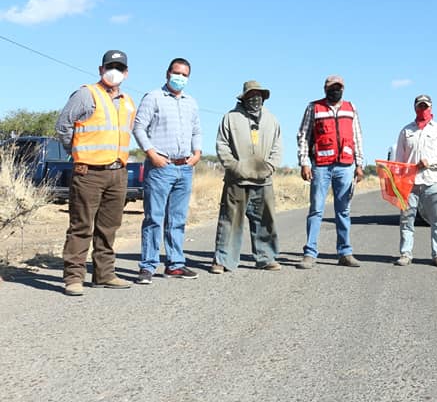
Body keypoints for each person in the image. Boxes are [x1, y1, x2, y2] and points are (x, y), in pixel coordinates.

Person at [55, 50, 136, 296]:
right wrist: (78, 152)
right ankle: (74, 278)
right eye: (110, 66)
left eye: (119, 68)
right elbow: (63, 126)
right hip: (88, 172)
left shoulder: (128, 101)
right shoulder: (86, 94)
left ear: (126, 73)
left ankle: (104, 274)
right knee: (81, 227)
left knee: (109, 227)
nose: (114, 71)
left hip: (117, 172)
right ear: (100, 69)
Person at [132, 57, 202, 284]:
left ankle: (175, 264)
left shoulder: (191, 102)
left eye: (184, 74)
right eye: (176, 73)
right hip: (161, 167)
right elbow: (138, 127)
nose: (180, 77)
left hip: (185, 168)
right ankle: (148, 266)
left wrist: (197, 153)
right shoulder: (153, 97)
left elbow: (196, 130)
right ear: (167, 73)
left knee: (178, 219)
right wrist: (151, 153)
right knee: (154, 218)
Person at [210, 81, 283, 273]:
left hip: (263, 179)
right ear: (244, 98)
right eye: (252, 95)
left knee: (265, 220)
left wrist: (270, 167)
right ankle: (223, 260)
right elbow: (222, 145)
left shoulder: (272, 120)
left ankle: (266, 257)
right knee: (230, 220)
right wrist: (234, 167)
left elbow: (277, 146)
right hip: (237, 179)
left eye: (259, 95)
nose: (256, 99)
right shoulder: (230, 118)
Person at [296, 74, 365, 269]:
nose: (335, 90)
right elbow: (303, 135)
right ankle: (310, 253)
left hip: (345, 166)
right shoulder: (314, 108)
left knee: (343, 211)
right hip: (321, 166)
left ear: (343, 89)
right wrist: (304, 163)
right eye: (331, 87)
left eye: (338, 87)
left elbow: (357, 137)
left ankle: (345, 252)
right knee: (316, 210)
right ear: (325, 89)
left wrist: (360, 164)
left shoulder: (351, 108)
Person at [392, 95, 437, 267]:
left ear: (431, 108)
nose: (423, 110)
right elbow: (399, 159)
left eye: (426, 107)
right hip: (410, 182)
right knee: (406, 218)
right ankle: (405, 253)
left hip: (432, 180)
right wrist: (398, 180)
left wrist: (431, 163)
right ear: (415, 108)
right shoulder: (406, 131)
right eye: (420, 107)